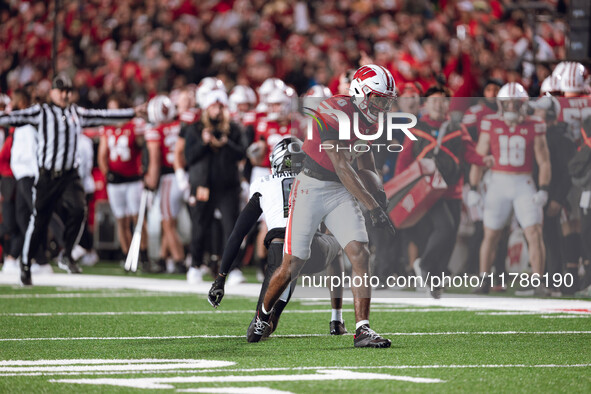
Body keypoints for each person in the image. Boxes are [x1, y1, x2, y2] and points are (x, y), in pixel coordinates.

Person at [247, 65, 396, 348]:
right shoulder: (333, 109)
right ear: (361, 94)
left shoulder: (371, 121)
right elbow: (340, 165)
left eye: (386, 99)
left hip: (340, 191)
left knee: (360, 253)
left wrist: (378, 191)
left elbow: (364, 160)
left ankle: (362, 329)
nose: (383, 105)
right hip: (311, 188)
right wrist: (372, 206)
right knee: (291, 264)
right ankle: (262, 315)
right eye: (378, 98)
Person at [0, 73, 146, 286]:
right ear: (52, 92)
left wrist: (132, 113)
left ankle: (67, 253)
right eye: (61, 90)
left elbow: (103, 116)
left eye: (68, 91)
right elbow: (13, 118)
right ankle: (25, 263)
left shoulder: (76, 113)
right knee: (39, 219)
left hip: (70, 175)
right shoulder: (41, 112)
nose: (65, 95)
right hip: (48, 174)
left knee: (79, 211)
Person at [208, 137, 347, 336]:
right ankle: (336, 320)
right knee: (335, 246)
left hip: (278, 252)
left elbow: (238, 233)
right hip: (308, 249)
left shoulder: (263, 184)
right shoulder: (317, 182)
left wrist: (220, 278)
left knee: (261, 329)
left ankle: (263, 320)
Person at [396, 86, 493, 299]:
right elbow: (404, 160)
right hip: (429, 192)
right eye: (434, 101)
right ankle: (425, 264)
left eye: (442, 101)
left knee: (450, 238)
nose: (439, 105)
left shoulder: (457, 128)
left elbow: (470, 152)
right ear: (426, 104)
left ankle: (435, 281)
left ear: (448, 104)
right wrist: (401, 188)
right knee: (445, 229)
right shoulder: (416, 128)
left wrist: (483, 160)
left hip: (454, 190)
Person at [469, 82, 551, 295]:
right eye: (508, 103)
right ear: (500, 104)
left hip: (523, 182)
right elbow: (479, 157)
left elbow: (544, 161)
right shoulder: (490, 123)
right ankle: (484, 279)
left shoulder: (535, 124)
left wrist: (543, 188)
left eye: (516, 103)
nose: (512, 107)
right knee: (491, 234)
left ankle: (538, 280)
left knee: (534, 231)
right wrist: (472, 187)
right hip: (498, 182)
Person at [183, 89, 247, 283]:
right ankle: (195, 265)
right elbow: (189, 157)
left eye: (220, 106)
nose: (217, 111)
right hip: (203, 185)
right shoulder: (194, 128)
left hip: (227, 186)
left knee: (232, 228)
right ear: (206, 108)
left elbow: (242, 154)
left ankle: (233, 269)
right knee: (200, 226)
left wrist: (226, 143)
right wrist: (204, 143)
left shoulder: (234, 129)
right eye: (214, 106)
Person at [98, 95, 150, 270]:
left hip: (133, 179)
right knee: (121, 220)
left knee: (138, 218)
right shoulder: (107, 128)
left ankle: (143, 254)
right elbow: (102, 154)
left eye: (115, 108)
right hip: (116, 181)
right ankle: (128, 256)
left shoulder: (133, 125)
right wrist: (107, 173)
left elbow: (143, 146)